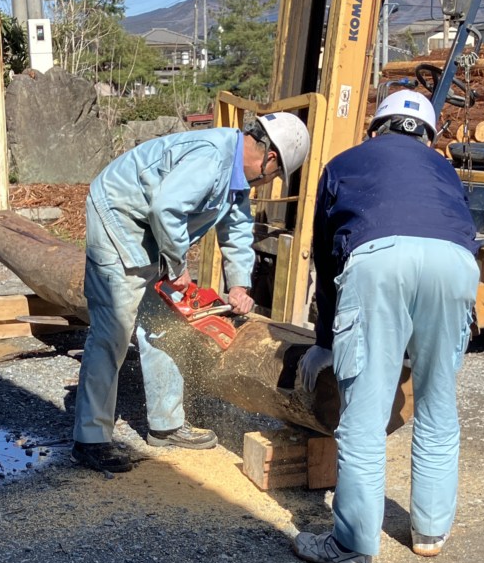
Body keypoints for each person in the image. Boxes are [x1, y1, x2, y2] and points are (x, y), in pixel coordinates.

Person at [292, 90, 480, 563]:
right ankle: (430, 532)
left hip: (378, 260)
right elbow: (459, 232)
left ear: (376, 128)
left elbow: (327, 255)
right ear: (429, 137)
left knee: (365, 413)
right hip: (456, 266)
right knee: (438, 403)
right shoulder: (444, 171)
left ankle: (354, 543)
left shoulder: (344, 163)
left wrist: (325, 342)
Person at [73, 114, 312, 474]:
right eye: (276, 175)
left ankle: (166, 425)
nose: (271, 181)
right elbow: (166, 208)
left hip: (150, 227)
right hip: (118, 217)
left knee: (166, 322)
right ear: (271, 158)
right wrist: (177, 265)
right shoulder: (211, 157)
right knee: (113, 331)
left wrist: (239, 285)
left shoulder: (235, 178)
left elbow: (238, 229)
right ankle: (90, 439)